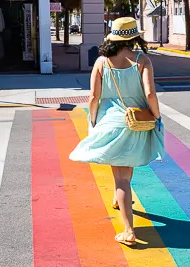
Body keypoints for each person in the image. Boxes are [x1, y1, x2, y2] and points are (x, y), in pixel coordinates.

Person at [70, 17, 164, 246]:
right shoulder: (143, 60)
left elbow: (93, 97)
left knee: (120, 177)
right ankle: (119, 199)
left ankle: (129, 231)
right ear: (134, 37)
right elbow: (151, 94)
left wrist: (93, 120)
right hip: (136, 121)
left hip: (110, 123)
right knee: (126, 168)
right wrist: (157, 116)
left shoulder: (102, 62)